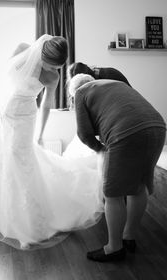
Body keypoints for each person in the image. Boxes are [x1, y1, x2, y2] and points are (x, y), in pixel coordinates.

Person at [0, 34, 105, 250]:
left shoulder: (52, 77)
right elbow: (1, 78)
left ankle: (29, 225)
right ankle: (6, 214)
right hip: (6, 116)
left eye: (59, 66)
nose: (56, 69)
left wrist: (41, 134)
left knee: (22, 166)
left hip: (25, 119)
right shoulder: (21, 49)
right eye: (52, 64)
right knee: (4, 162)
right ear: (42, 52)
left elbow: (46, 104)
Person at [68, 73, 166, 262]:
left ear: (73, 92)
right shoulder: (115, 84)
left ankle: (114, 247)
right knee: (139, 185)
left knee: (112, 193)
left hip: (126, 132)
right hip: (158, 127)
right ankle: (129, 237)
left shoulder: (80, 92)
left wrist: (101, 149)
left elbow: (84, 133)